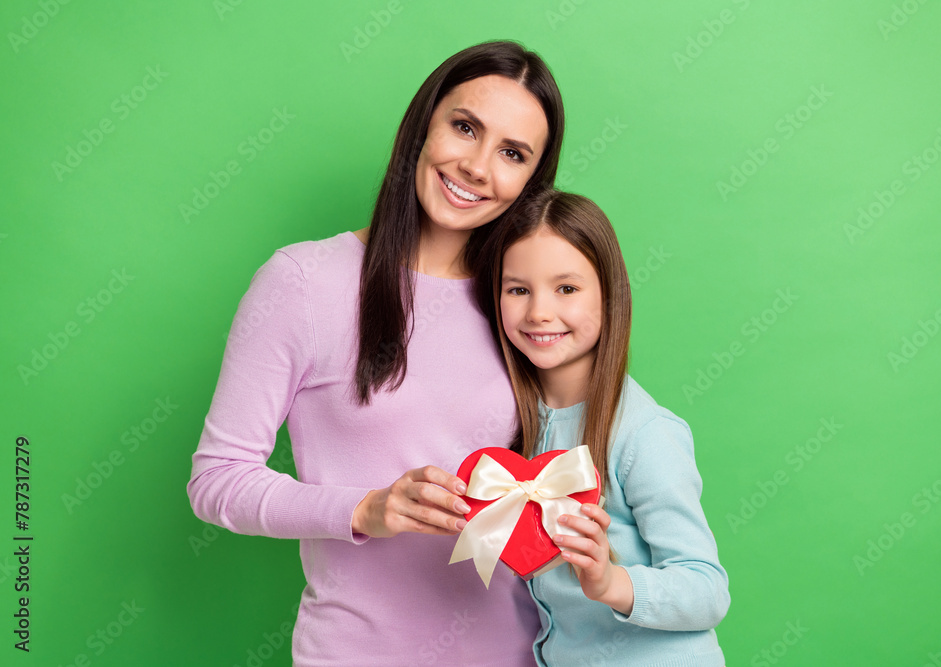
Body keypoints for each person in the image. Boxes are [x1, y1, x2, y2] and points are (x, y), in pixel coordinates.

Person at [186, 41, 565, 666]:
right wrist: (366, 507)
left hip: (524, 653)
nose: (476, 166)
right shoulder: (304, 282)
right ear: (423, 123)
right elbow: (217, 480)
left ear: (531, 180)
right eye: (464, 127)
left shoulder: (523, 302)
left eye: (512, 153)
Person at [484, 189, 729, 666]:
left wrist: (610, 581)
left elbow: (707, 589)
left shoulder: (644, 434)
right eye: (518, 289)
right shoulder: (512, 421)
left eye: (567, 289)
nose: (538, 312)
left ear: (609, 295)